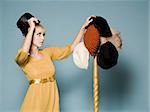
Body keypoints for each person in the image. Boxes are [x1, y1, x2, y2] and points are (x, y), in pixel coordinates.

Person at [15, 13, 95, 112]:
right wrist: (31, 28)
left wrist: (83, 28)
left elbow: (70, 49)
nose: (43, 38)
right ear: (30, 35)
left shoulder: (47, 53)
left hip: (51, 101)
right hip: (33, 104)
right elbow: (24, 52)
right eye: (39, 34)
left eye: (43, 34)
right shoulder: (22, 58)